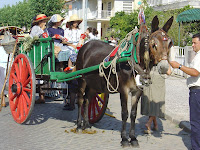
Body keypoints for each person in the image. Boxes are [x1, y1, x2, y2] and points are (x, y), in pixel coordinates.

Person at [170, 33, 200, 149]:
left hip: (197, 92)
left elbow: (195, 72)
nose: (192, 45)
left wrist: (179, 66)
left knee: (196, 122)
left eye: (194, 43)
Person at [141, 65, 171, 134]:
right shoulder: (163, 61)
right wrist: (169, 64)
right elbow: (169, 72)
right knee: (157, 102)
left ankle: (155, 125)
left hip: (149, 78)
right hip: (158, 82)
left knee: (151, 102)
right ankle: (148, 123)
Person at [29, 14, 50, 104]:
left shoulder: (45, 30)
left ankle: (42, 97)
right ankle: (34, 96)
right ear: (39, 22)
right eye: (43, 21)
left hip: (44, 50)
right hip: (36, 50)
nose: (45, 23)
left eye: (45, 21)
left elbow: (47, 38)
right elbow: (34, 38)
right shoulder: (35, 28)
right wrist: (41, 31)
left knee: (44, 77)